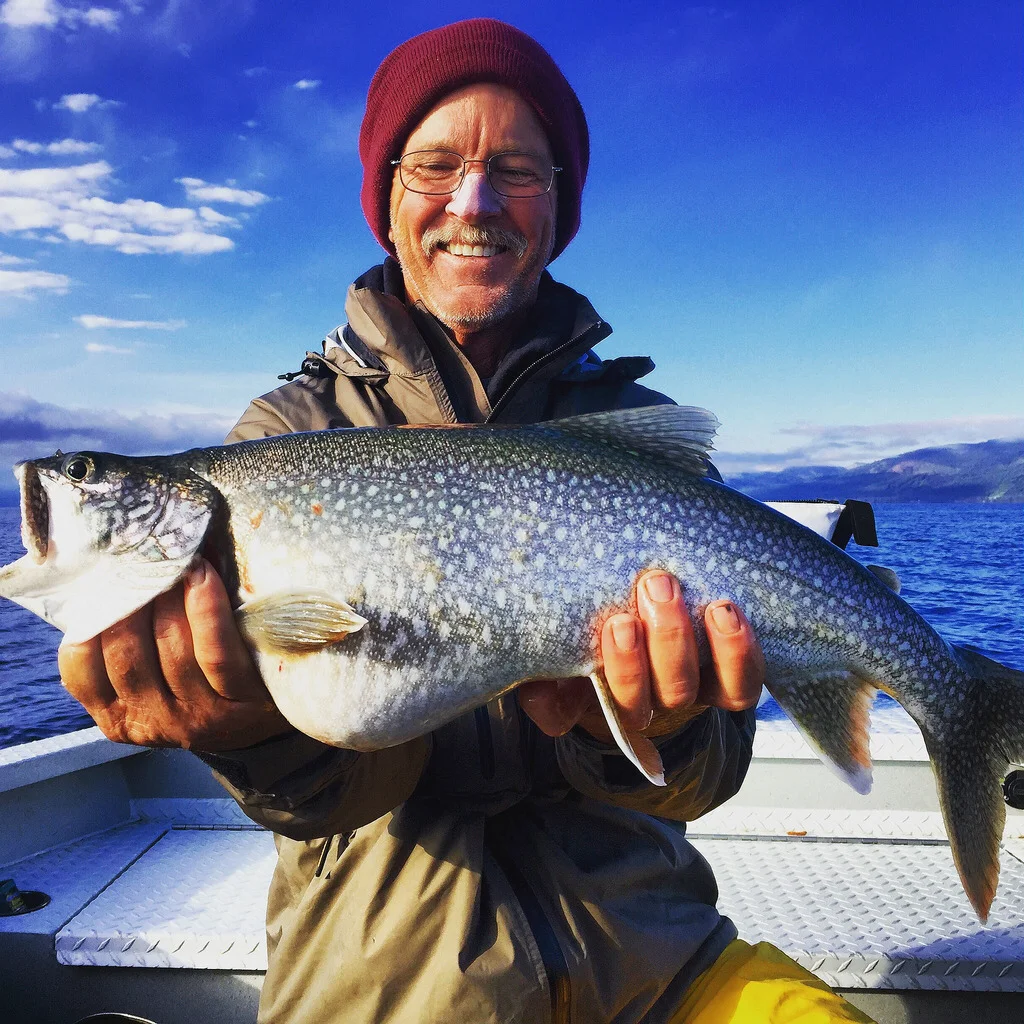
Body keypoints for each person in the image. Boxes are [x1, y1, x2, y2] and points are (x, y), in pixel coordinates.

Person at [58, 19, 875, 1024]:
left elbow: (703, 780)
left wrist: (656, 725)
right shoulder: (285, 437)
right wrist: (249, 732)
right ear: (387, 197)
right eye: (434, 165)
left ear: (559, 205)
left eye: (517, 171)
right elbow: (328, 794)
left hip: (661, 963)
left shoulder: (640, 437)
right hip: (387, 988)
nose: (473, 202)